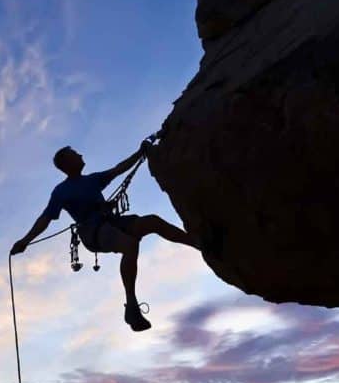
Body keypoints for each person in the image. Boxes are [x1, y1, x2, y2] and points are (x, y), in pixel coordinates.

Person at [10, 141, 200, 332]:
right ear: (67, 163)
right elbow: (46, 218)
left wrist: (139, 152)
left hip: (110, 222)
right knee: (130, 245)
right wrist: (26, 241)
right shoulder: (61, 191)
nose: (80, 155)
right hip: (93, 232)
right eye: (75, 153)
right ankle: (131, 305)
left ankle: (198, 243)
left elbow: (118, 169)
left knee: (152, 222)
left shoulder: (92, 180)